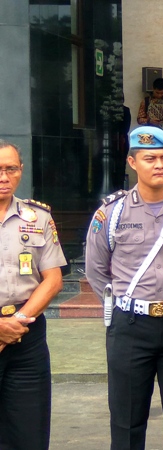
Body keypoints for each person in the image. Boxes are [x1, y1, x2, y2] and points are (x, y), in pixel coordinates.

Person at [85, 126, 163, 450]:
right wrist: (124, 305)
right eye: (150, 158)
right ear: (132, 162)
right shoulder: (111, 212)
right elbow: (96, 270)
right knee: (126, 421)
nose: (159, 165)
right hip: (130, 326)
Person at [0, 139, 67, 450]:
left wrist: (16, 323)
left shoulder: (38, 217)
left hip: (26, 335)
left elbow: (52, 280)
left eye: (11, 169)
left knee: (29, 432)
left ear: (21, 170)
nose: (4, 177)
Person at [137, 78, 163, 142]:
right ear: (153, 88)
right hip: (150, 136)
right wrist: (149, 121)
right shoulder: (146, 102)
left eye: (162, 93)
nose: (159, 95)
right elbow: (139, 119)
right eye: (157, 93)